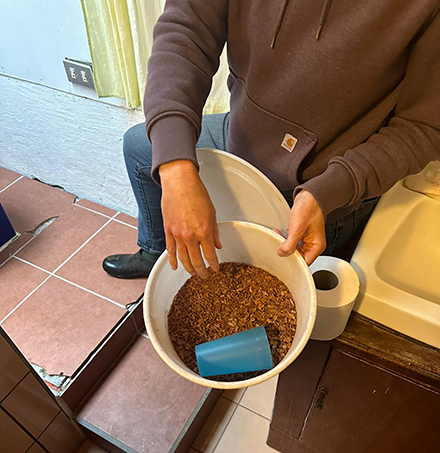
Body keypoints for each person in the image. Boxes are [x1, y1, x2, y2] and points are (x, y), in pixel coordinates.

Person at [103, 0, 440, 280]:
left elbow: (423, 125)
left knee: (259, 293)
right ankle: (157, 251)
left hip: (325, 182)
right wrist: (176, 170)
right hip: (244, 132)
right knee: (141, 148)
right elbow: (185, 33)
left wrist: (330, 189)